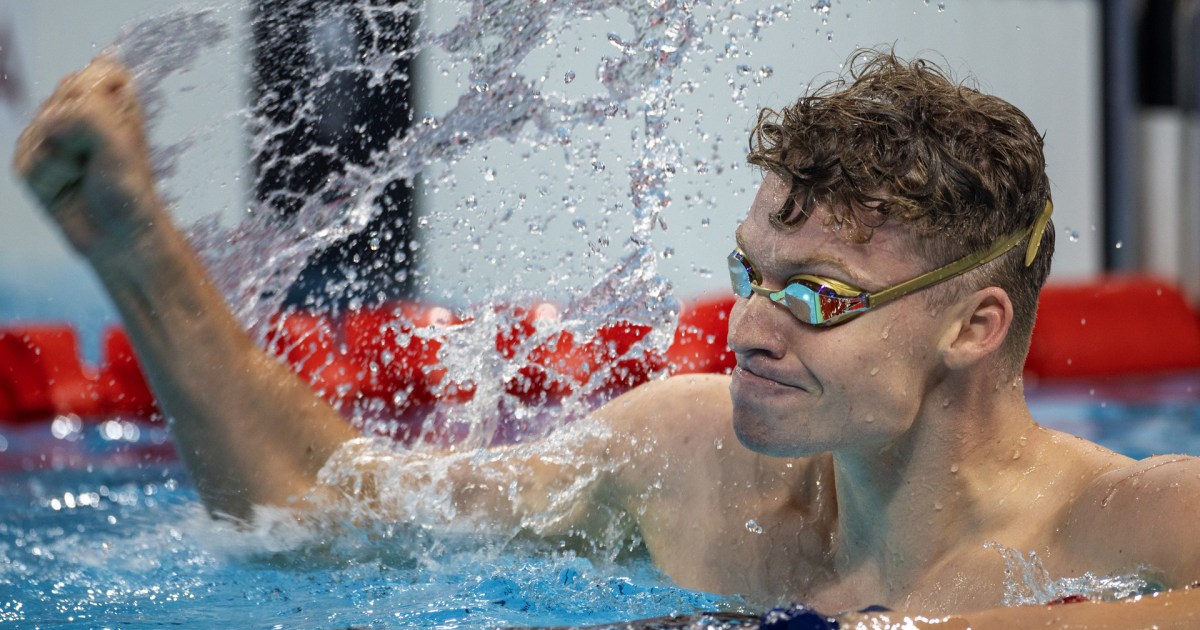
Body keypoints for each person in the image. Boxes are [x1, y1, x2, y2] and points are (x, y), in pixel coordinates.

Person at [14, 49, 1200, 628]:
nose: (748, 325)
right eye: (752, 274)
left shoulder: (1130, 522)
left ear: (976, 323)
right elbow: (310, 517)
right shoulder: (684, 462)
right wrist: (136, 253)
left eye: (818, 296)